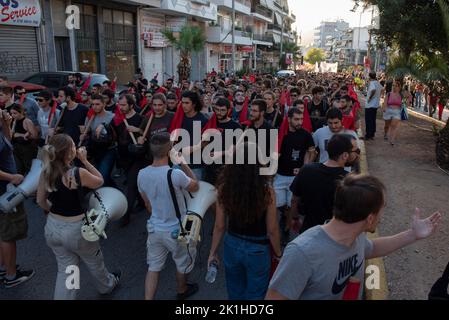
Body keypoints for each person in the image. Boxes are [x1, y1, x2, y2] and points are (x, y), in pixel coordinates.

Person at [266, 174, 441, 300]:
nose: (382, 217)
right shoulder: (303, 252)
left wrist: (412, 235)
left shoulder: (356, 237)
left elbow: (370, 248)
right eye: (382, 210)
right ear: (370, 218)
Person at [36, 134, 120, 299]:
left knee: (67, 269)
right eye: (73, 145)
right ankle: (106, 286)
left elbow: (40, 200)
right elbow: (100, 181)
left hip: (53, 227)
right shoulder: (77, 172)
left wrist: (53, 210)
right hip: (77, 231)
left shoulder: (45, 170)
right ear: (69, 152)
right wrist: (85, 160)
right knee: (94, 261)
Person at [208, 142, 281, 300]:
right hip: (258, 248)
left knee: (235, 293)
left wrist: (212, 253)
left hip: (232, 244)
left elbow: (220, 225)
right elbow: (272, 229)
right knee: (256, 295)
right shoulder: (267, 191)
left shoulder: (224, 187)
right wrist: (278, 254)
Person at [138, 132, 199, 300]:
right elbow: (195, 186)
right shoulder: (175, 174)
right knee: (183, 263)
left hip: (155, 227)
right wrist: (183, 163)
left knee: (153, 267)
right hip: (177, 228)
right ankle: (182, 290)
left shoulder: (141, 174)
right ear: (169, 151)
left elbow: (147, 205)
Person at [290, 134, 360, 234]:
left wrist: (295, 218)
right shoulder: (349, 181)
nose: (358, 154)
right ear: (345, 155)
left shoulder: (306, 170)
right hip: (335, 235)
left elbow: (294, 200)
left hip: (308, 231)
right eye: (356, 151)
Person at [0, 109, 34, 288]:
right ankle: (11, 276)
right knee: (8, 234)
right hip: (5, 191)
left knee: (2, 232)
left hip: (6, 189)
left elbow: (7, 143)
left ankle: (3, 267)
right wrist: (11, 177)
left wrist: (5, 123)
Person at [275, 108, 315, 244]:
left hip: (295, 178)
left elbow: (311, 152)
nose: (299, 122)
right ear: (289, 119)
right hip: (279, 176)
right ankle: (285, 216)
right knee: (279, 204)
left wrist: (304, 168)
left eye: (301, 119)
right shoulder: (281, 134)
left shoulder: (306, 135)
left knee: (292, 204)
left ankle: (285, 230)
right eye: (296, 119)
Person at [79, 94, 116, 186]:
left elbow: (116, 133)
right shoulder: (90, 117)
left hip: (109, 150)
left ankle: (115, 194)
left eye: (97, 104)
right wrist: (84, 135)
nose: (94, 107)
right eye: (93, 104)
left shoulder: (112, 116)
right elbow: (88, 132)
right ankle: (112, 191)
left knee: (102, 176)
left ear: (104, 104)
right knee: (100, 176)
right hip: (95, 149)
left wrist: (104, 125)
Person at [9, 103, 38, 174]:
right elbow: (12, 135)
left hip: (27, 149)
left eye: (14, 113)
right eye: (11, 113)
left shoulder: (27, 121)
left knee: (28, 169)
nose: (12, 115)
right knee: (18, 169)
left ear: (21, 112)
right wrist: (20, 135)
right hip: (17, 149)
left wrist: (23, 135)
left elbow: (34, 136)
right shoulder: (14, 121)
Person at [382, 80, 405, 146]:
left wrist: (407, 102)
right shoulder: (389, 94)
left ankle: (392, 140)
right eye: (393, 85)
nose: (394, 87)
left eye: (396, 86)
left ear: (399, 87)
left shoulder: (401, 95)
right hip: (388, 110)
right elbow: (385, 102)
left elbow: (408, 96)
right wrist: (384, 108)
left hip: (397, 112)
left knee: (393, 126)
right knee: (387, 125)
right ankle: (386, 133)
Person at [364, 72, 383, 140]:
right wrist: (378, 97)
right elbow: (382, 89)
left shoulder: (372, 83)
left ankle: (368, 135)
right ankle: (372, 134)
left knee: (368, 120)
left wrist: (370, 98)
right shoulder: (378, 82)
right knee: (373, 120)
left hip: (370, 105)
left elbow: (373, 90)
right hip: (375, 104)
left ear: (370, 77)